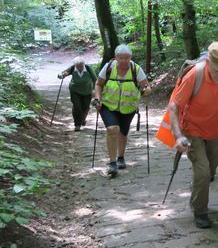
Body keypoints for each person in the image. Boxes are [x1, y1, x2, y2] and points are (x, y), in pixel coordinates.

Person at [169, 41, 218, 229]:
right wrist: (178, 136)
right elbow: (174, 107)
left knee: (210, 170)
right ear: (208, 61)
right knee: (202, 172)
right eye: (217, 69)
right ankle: (200, 210)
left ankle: (199, 190)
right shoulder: (195, 75)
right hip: (192, 129)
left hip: (216, 130)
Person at [93, 45, 150, 177]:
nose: (124, 61)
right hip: (107, 105)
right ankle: (112, 163)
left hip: (128, 107)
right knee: (112, 129)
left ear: (130, 57)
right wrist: (97, 98)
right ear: (116, 57)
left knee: (123, 132)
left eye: (127, 58)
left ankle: (121, 157)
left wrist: (147, 90)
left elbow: (145, 85)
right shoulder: (109, 67)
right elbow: (99, 84)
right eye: (121, 58)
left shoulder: (136, 69)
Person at [57, 56, 97, 131]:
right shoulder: (72, 68)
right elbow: (62, 74)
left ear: (83, 64)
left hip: (87, 91)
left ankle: (82, 119)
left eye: (81, 65)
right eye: (78, 66)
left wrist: (94, 90)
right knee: (77, 106)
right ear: (75, 65)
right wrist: (62, 75)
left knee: (85, 106)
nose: (79, 67)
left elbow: (95, 79)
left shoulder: (88, 68)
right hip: (75, 90)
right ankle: (77, 124)